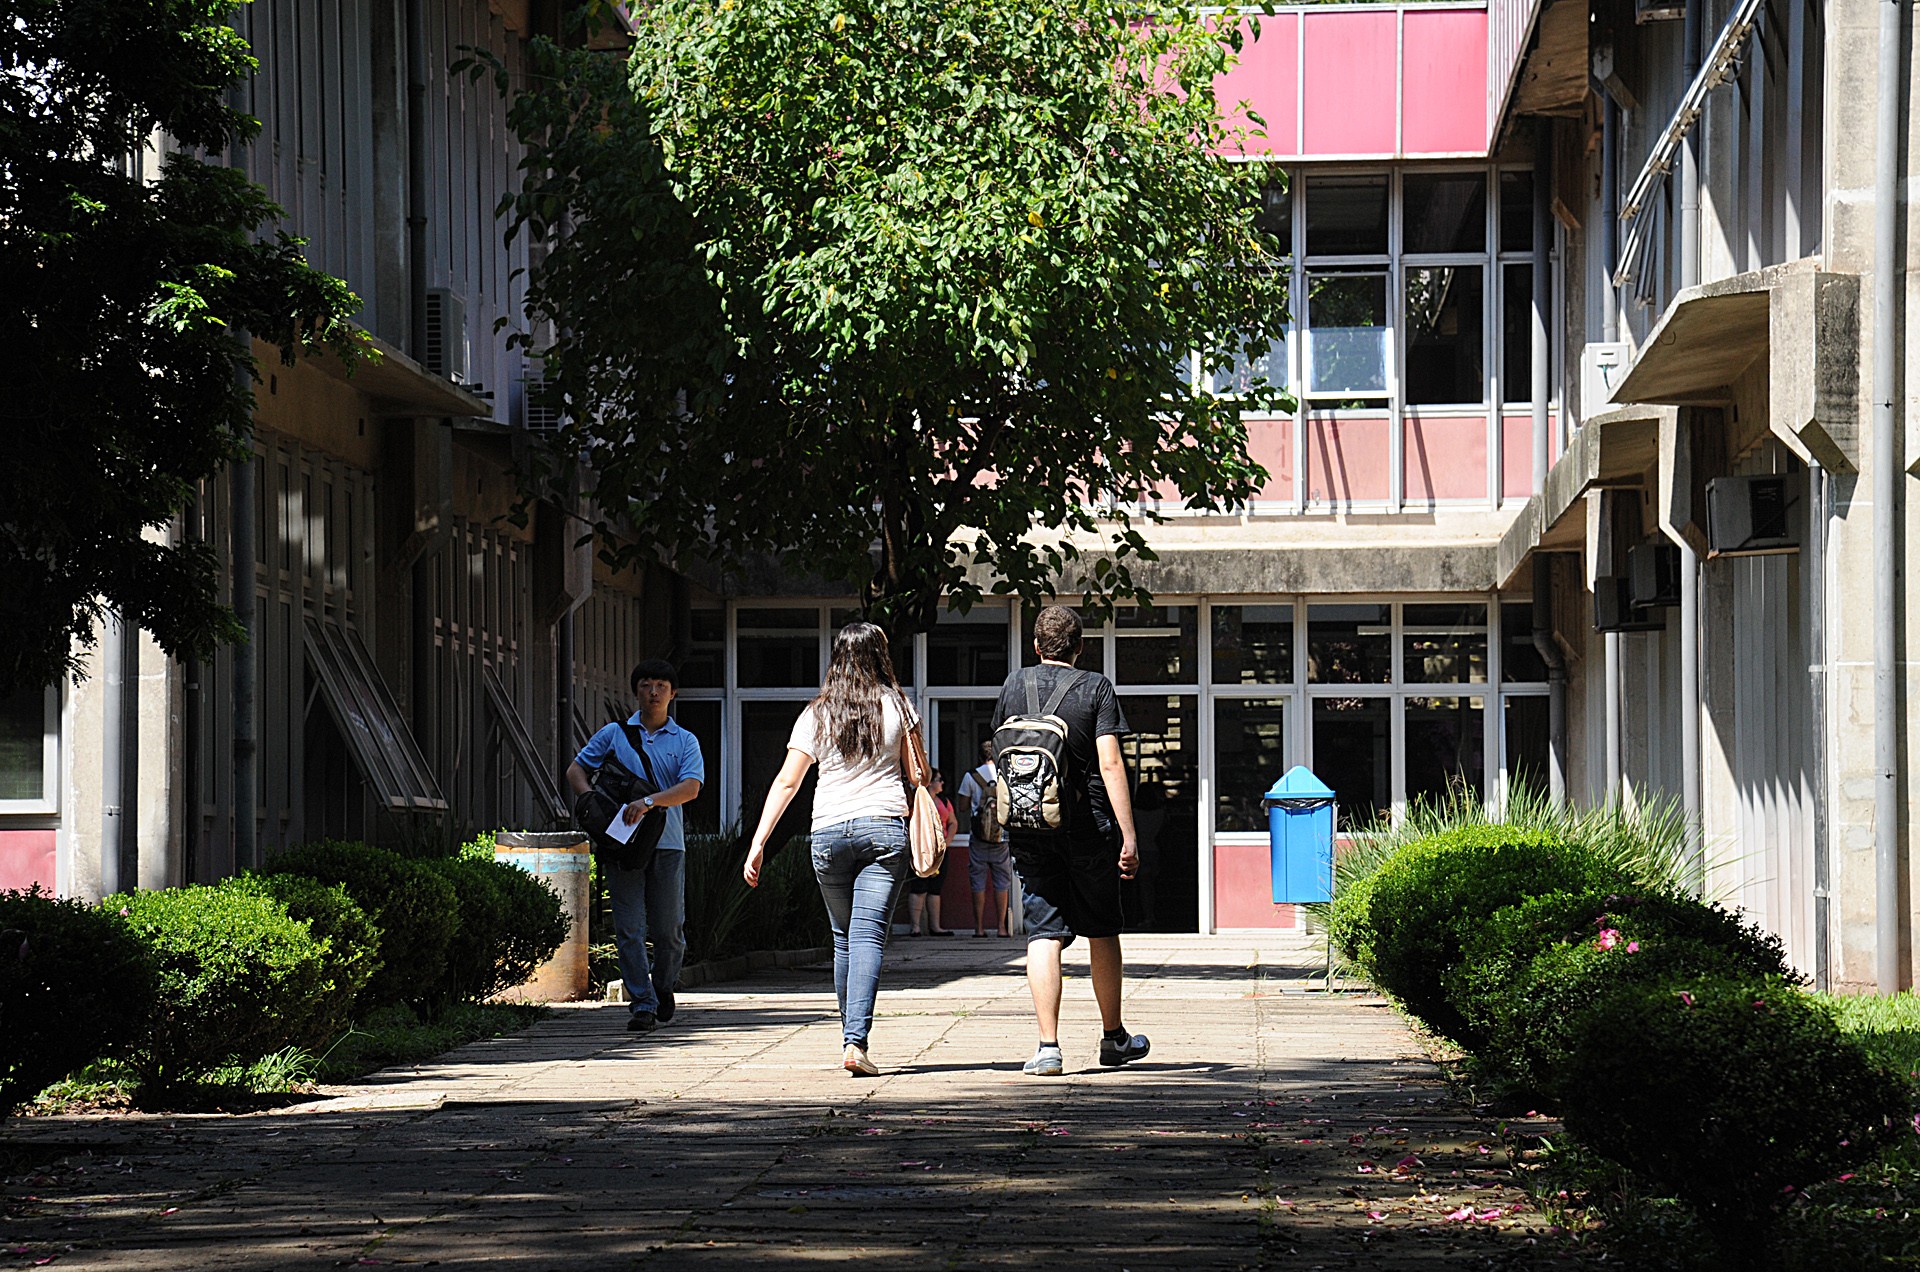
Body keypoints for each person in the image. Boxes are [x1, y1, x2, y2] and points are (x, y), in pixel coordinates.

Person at [744, 621, 918, 1076]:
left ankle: (850, 1038)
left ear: (837, 658)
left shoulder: (816, 713)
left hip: (828, 832)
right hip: (883, 828)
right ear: (880, 656)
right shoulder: (898, 704)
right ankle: (855, 1041)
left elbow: (788, 781)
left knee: (844, 938)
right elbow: (918, 775)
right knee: (867, 936)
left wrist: (759, 842)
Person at [992, 605, 1150, 1077]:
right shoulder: (1096, 688)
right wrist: (1129, 833)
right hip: (1087, 829)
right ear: (1080, 646)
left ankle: (1047, 1048)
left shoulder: (1012, 685)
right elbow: (1111, 764)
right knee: (1102, 928)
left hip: (1027, 826)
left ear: (1036, 647)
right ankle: (1113, 1037)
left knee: (1043, 932)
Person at [567, 659, 705, 1034]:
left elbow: (691, 788)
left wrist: (648, 802)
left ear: (673, 693)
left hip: (667, 845)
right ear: (637, 691)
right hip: (621, 844)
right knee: (628, 928)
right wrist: (589, 802)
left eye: (661, 685)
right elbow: (575, 770)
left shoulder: (685, 740)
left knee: (668, 930)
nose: (654, 691)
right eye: (646, 684)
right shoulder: (614, 734)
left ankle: (662, 987)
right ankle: (642, 1003)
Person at [958, 739, 1012, 937]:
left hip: (978, 837)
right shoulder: (1004, 775)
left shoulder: (970, 777)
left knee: (978, 882)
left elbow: (963, 807)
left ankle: (979, 928)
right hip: (1001, 837)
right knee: (1002, 882)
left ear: (980, 756)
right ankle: (1002, 927)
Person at [905, 770, 958, 936]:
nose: (942, 783)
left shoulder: (943, 800)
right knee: (918, 886)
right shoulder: (916, 799)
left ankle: (935, 927)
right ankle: (916, 927)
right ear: (930, 782)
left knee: (936, 888)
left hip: (940, 850)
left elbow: (953, 822)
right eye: (939, 780)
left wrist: (947, 842)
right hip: (920, 848)